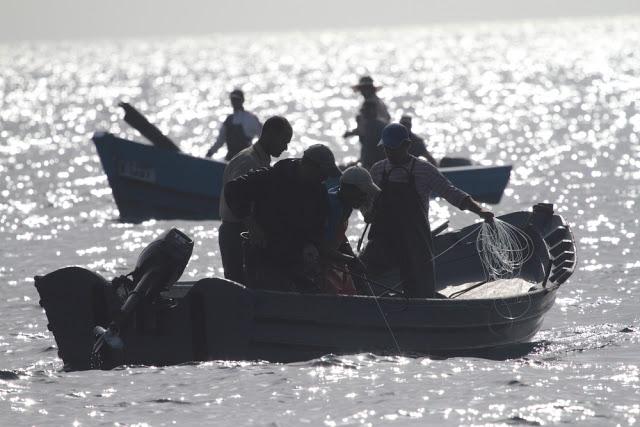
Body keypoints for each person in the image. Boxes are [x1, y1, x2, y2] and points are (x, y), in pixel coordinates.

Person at [360, 123, 494, 298]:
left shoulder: (424, 170)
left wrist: (480, 210)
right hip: (383, 238)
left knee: (420, 289)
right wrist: (367, 213)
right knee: (361, 271)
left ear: (407, 146)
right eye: (386, 149)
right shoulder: (378, 170)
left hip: (414, 240)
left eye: (394, 148)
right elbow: (366, 200)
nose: (390, 153)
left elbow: (451, 193)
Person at [224, 144, 341, 292]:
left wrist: (312, 245)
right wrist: (251, 225)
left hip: (296, 261)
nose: (325, 178)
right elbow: (233, 190)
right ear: (308, 165)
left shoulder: (318, 191)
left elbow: (318, 226)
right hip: (264, 257)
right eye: (322, 173)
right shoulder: (271, 177)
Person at [218, 116, 293, 283]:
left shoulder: (263, 161)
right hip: (235, 232)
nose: (285, 147)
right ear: (270, 134)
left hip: (248, 232)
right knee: (238, 285)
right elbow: (235, 195)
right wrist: (252, 226)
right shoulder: (248, 160)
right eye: (284, 141)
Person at [321, 166, 381, 295]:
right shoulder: (333, 206)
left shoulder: (345, 203)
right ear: (349, 189)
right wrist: (351, 261)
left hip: (331, 259)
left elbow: (339, 236)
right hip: (318, 261)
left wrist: (353, 257)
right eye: (362, 193)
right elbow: (323, 248)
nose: (365, 197)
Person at [206, 89, 262, 160]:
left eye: (237, 99)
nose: (235, 102)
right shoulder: (228, 120)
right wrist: (209, 153)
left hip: (246, 159)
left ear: (242, 100)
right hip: (230, 158)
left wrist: (260, 157)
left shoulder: (251, 119)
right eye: (233, 99)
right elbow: (220, 141)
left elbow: (262, 138)